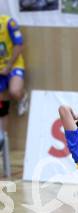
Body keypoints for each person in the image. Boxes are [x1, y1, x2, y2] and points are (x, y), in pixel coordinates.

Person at [0, 14, 28, 146]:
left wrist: (9, 65)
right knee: (2, 107)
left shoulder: (8, 23)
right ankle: (2, 139)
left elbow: (19, 45)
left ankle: (22, 96)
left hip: (14, 65)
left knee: (14, 91)